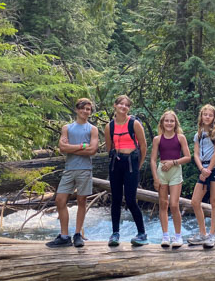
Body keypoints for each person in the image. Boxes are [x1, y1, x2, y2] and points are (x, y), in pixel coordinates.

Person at [46, 98, 99, 248]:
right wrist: (82, 146)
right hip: (69, 169)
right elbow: (62, 149)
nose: (85, 111)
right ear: (77, 110)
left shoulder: (92, 129)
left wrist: (71, 147)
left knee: (82, 201)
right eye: (82, 108)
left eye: (88, 109)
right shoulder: (67, 128)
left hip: (85, 169)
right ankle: (64, 236)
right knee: (60, 200)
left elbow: (93, 150)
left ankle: (77, 234)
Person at [104, 95, 148, 246]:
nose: (123, 107)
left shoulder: (134, 124)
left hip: (131, 163)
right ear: (115, 106)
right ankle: (115, 233)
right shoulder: (109, 126)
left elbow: (143, 146)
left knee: (130, 200)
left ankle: (142, 233)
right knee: (115, 199)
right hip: (116, 164)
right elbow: (108, 148)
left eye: (126, 105)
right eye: (121, 104)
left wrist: (139, 165)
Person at [150, 110, 191, 249]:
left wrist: (173, 162)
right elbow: (153, 159)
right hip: (161, 171)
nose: (169, 123)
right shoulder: (157, 139)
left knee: (174, 204)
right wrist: (155, 178)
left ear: (175, 123)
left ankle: (178, 236)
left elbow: (187, 157)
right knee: (163, 204)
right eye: (166, 121)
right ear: (162, 123)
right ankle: (165, 235)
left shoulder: (180, 138)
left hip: (175, 171)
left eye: (171, 121)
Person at [188, 104, 215, 248]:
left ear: (214, 117)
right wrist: (202, 169)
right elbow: (196, 154)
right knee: (195, 201)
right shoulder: (198, 134)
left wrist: (208, 169)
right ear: (201, 116)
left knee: (214, 201)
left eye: (210, 115)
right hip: (203, 169)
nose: (207, 117)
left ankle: (212, 235)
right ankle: (203, 233)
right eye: (205, 114)